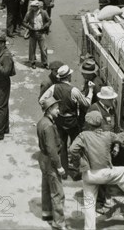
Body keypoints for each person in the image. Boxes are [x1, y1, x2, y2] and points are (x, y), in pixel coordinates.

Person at [69, 111, 124, 230]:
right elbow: (120, 137)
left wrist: (80, 163)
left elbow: (72, 149)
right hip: (105, 174)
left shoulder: (83, 135)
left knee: (89, 204)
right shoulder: (108, 135)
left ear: (88, 124)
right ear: (101, 122)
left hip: (89, 175)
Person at [39, 65, 94, 177]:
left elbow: (41, 100)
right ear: (68, 76)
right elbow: (86, 103)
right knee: (77, 147)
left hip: (59, 120)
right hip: (72, 122)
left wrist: (53, 106)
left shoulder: (53, 88)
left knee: (62, 146)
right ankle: (78, 171)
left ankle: (63, 172)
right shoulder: (74, 90)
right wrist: (91, 90)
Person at [36, 96, 67, 229]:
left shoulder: (42, 121)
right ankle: (59, 223)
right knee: (57, 192)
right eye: (56, 108)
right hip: (50, 160)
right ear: (49, 109)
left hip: (43, 158)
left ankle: (47, 213)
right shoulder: (48, 126)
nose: (58, 111)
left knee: (46, 186)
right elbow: (52, 149)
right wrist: (59, 166)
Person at [23, 0, 51, 69]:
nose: (33, 8)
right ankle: (32, 62)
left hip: (41, 33)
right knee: (32, 49)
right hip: (33, 33)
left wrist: (45, 26)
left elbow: (49, 21)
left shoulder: (44, 13)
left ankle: (45, 63)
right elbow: (24, 22)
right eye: (32, 6)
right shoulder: (29, 13)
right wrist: (29, 27)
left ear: (38, 7)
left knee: (43, 49)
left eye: (34, 6)